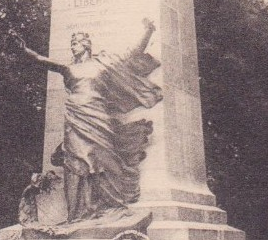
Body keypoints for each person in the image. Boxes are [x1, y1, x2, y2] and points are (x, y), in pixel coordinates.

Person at [11, 20, 163, 222]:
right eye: (72, 43)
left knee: (104, 159)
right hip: (75, 116)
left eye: (76, 43)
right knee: (75, 161)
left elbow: (132, 52)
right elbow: (40, 59)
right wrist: (24, 50)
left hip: (99, 115)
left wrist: (148, 31)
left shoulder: (103, 64)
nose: (73, 46)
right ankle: (79, 212)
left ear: (86, 45)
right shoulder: (68, 68)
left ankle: (109, 204)